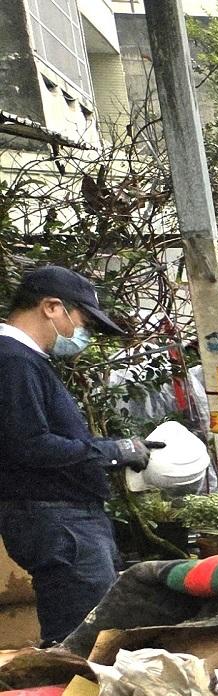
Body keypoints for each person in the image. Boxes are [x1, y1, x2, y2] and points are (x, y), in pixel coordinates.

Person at [0, 265, 150, 643]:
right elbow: (28, 445)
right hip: (58, 520)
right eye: (82, 321)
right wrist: (110, 451)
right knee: (85, 641)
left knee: (94, 632)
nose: (82, 334)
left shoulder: (24, 360)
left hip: (62, 520)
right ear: (52, 307)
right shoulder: (13, 360)